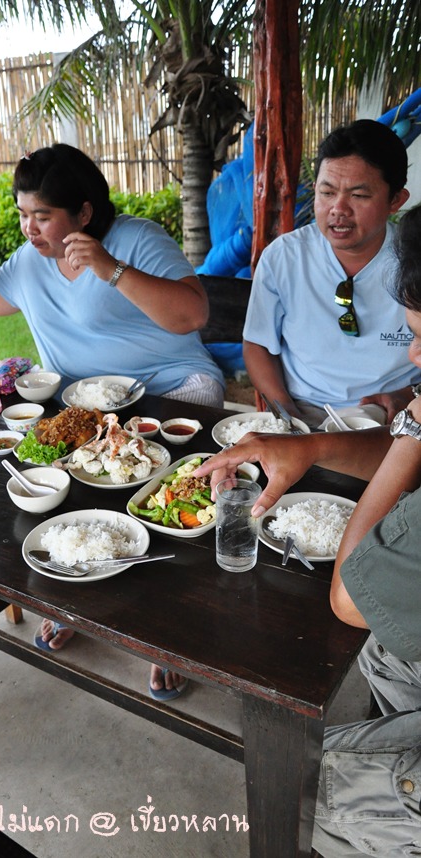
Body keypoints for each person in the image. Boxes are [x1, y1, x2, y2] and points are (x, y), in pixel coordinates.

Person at [0, 143, 225, 702]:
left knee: (166, 502)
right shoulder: (33, 258)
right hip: (82, 404)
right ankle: (77, 598)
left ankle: (165, 634)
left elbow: (193, 314)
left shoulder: (135, 239)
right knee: (51, 489)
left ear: (83, 213)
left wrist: (110, 268)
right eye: (22, 214)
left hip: (171, 390)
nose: (30, 228)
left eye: (42, 215)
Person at [195, 204, 421, 857]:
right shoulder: (289, 255)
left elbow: (352, 595)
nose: (413, 354)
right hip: (334, 430)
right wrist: (314, 446)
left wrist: (414, 422)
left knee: (289, 786)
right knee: (383, 654)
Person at [243, 119, 418, 428]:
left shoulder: (414, 257)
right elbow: (257, 343)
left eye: (359, 196)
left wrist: (408, 395)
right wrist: (286, 414)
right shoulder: (285, 257)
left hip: (396, 418)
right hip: (306, 413)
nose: (338, 209)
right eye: (326, 192)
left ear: (396, 200)